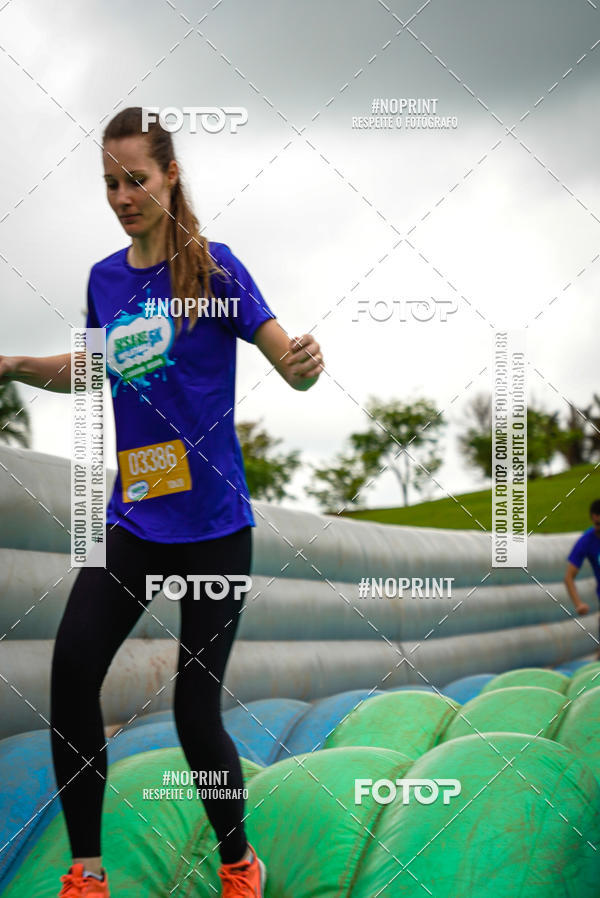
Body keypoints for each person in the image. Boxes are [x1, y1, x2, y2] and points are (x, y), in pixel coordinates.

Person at [0, 106, 324, 898]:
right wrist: (11, 362)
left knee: (193, 707)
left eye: (135, 179)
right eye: (109, 182)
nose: (121, 195)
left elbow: (288, 354)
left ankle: (240, 864)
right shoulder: (106, 281)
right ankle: (86, 871)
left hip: (215, 527)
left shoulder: (217, 270)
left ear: (170, 175)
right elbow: (90, 368)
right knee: (72, 672)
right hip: (135, 518)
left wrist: (303, 366)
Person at [564, 498, 600, 660]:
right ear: (593, 519)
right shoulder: (587, 540)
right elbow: (569, 577)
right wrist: (578, 603)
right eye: (598, 524)